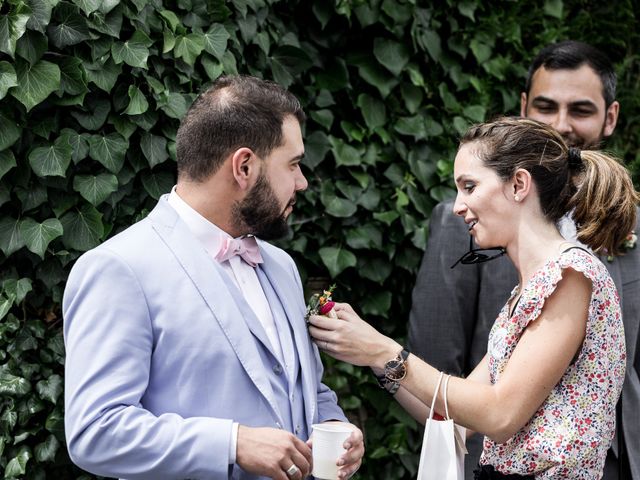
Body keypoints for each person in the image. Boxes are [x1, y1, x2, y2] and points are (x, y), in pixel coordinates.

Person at [63, 75, 364, 480]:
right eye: (293, 164)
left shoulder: (281, 267)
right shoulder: (120, 269)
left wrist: (331, 425)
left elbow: (302, 390)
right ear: (244, 166)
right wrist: (231, 442)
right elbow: (95, 431)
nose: (302, 181)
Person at [308, 116, 639, 479]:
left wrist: (384, 351)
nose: (457, 206)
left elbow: (499, 415)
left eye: (469, 186)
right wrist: (369, 351)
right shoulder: (529, 291)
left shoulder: (571, 274)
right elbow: (451, 416)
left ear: (518, 185)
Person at [407, 40, 640, 480]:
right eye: (546, 106)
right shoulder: (464, 225)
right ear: (522, 108)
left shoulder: (633, 229)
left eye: (581, 110)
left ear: (610, 117)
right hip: (494, 459)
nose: (561, 124)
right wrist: (382, 359)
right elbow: (437, 365)